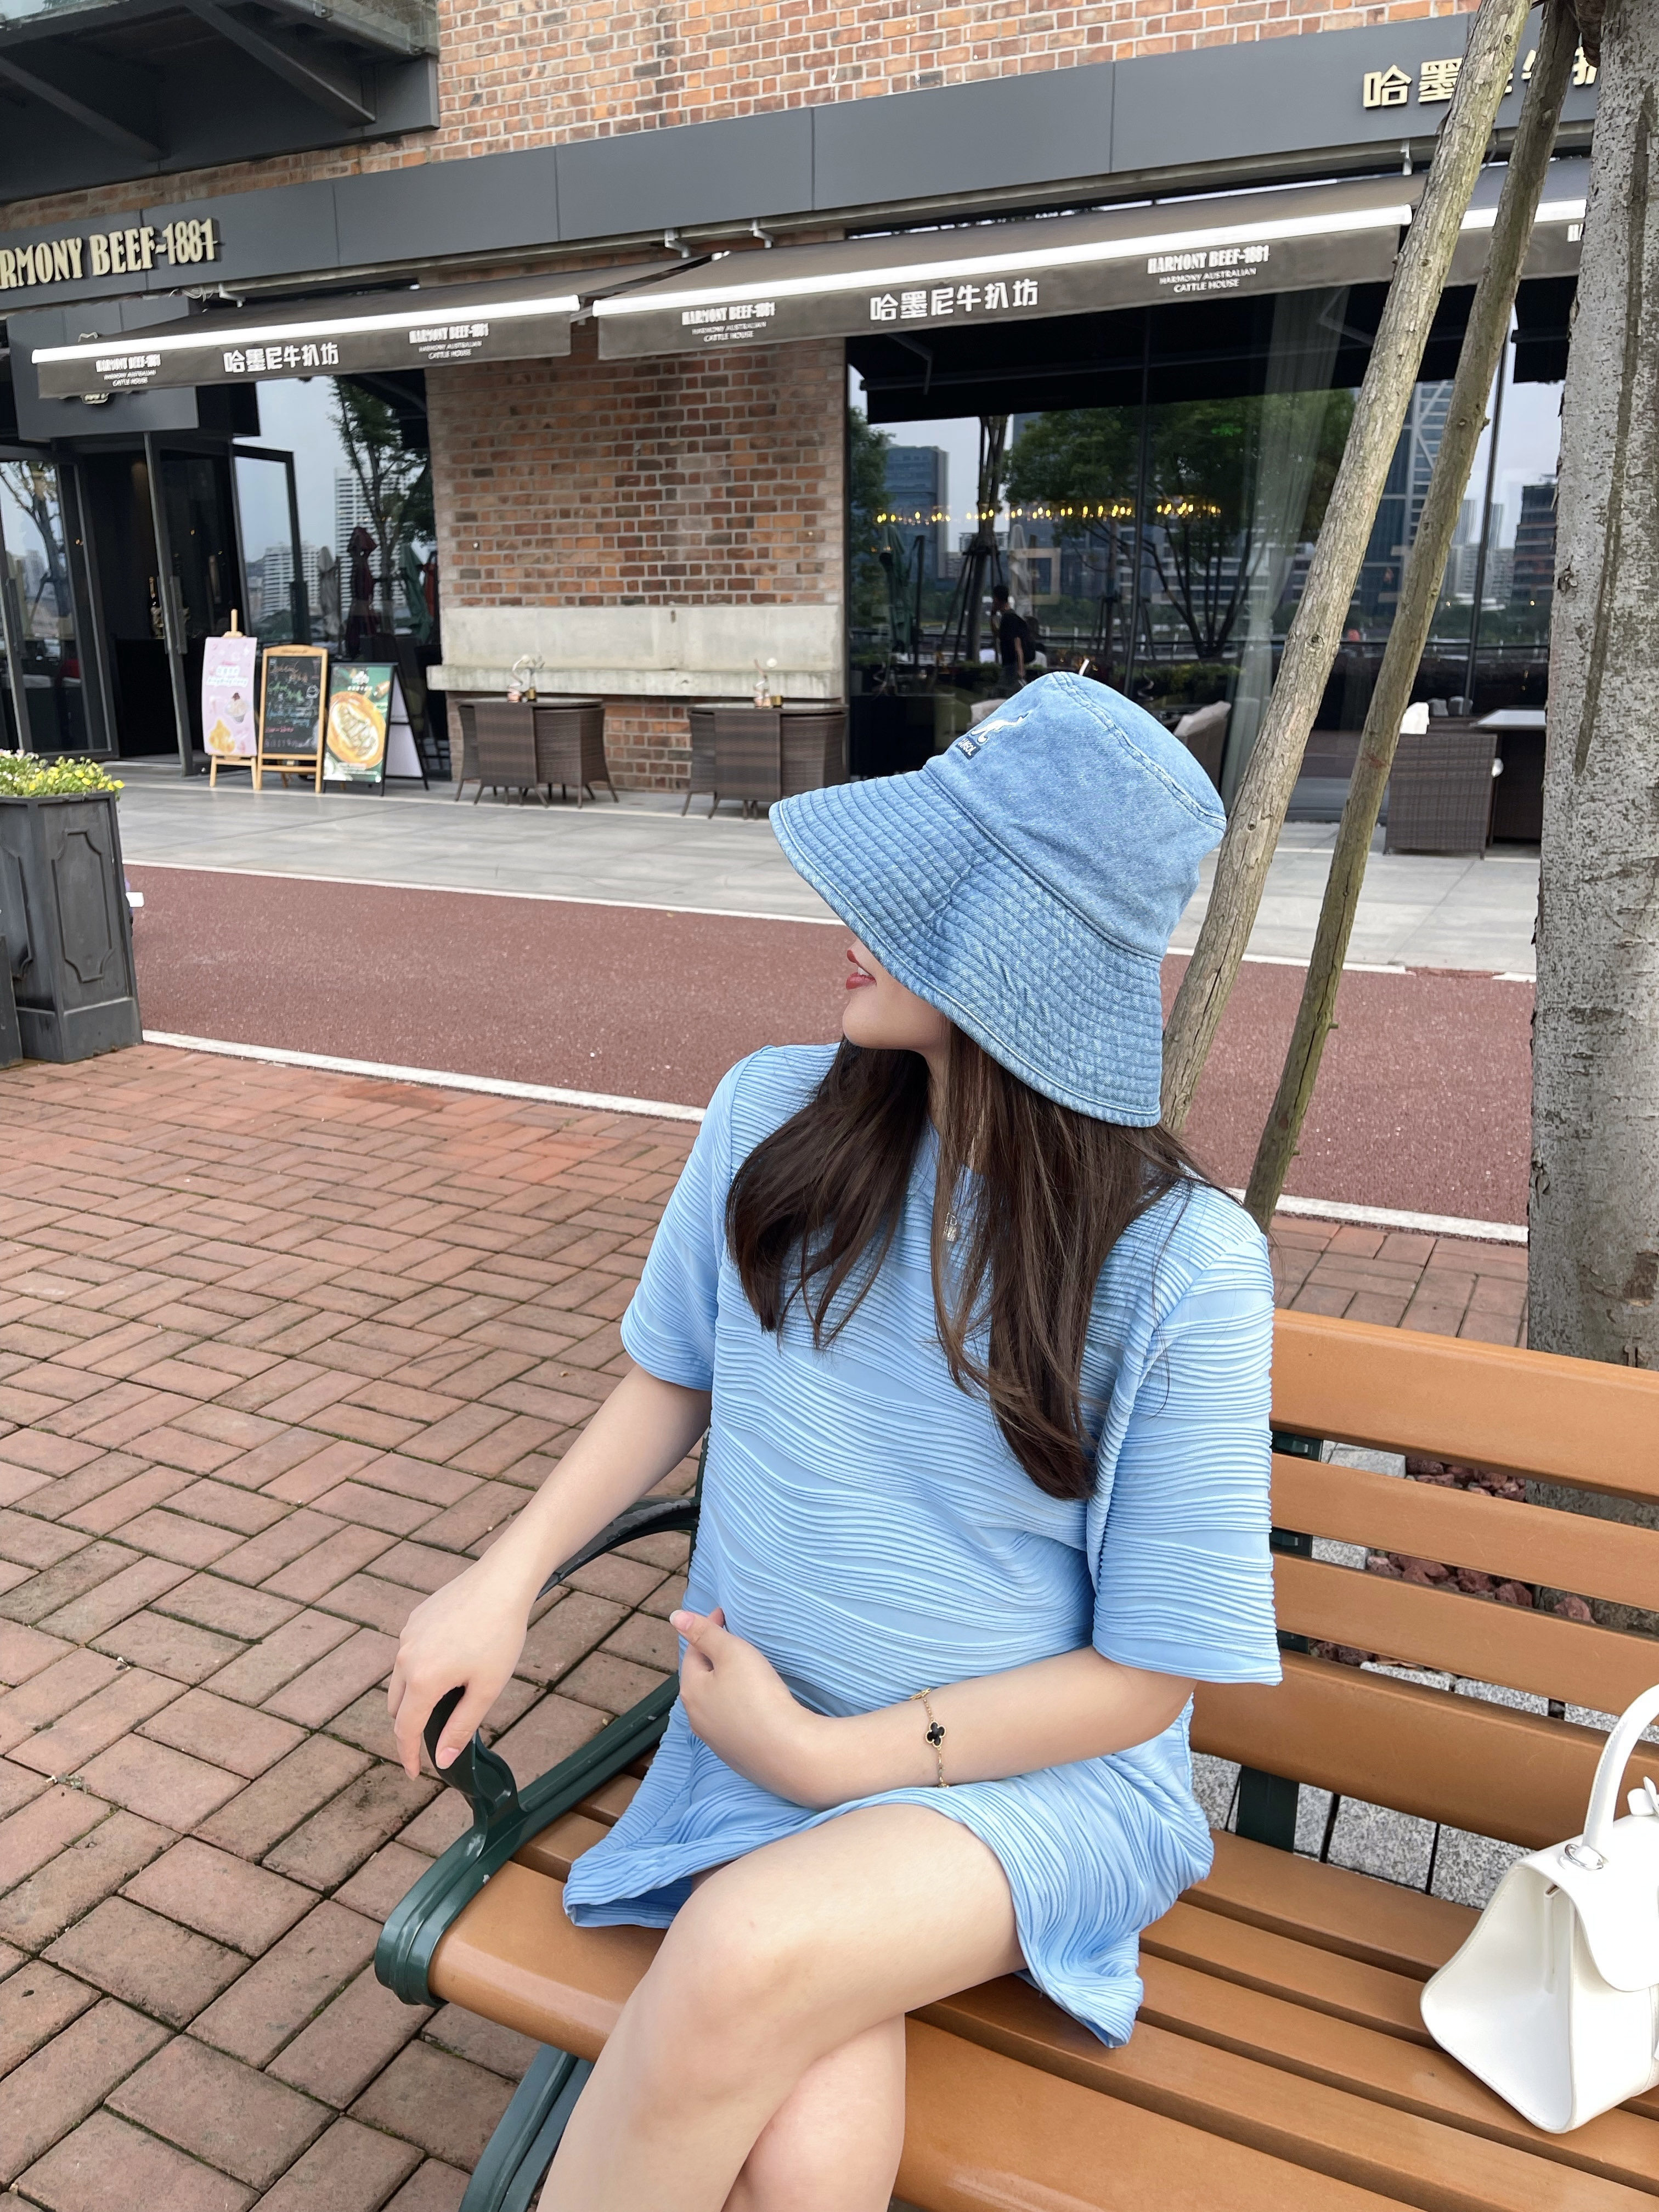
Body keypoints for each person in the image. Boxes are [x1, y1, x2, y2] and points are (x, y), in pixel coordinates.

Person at [387, 672, 1280, 2212]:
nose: (850, 913)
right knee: (800, 2162)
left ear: (1026, 949)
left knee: (742, 1951)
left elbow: (1147, 1678)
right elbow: (673, 1380)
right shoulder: (771, 1118)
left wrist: (835, 1758)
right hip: (761, 1754)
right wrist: (506, 1578)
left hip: (1031, 1788)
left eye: (921, 888)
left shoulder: (1182, 1264)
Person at [990, 580, 1034, 686]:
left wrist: (1021, 669)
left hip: (1012, 666)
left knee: (1001, 692)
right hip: (1009, 664)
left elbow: (1018, 645)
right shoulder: (1007, 617)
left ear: (996, 599)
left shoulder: (1009, 618)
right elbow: (998, 635)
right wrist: (992, 616)